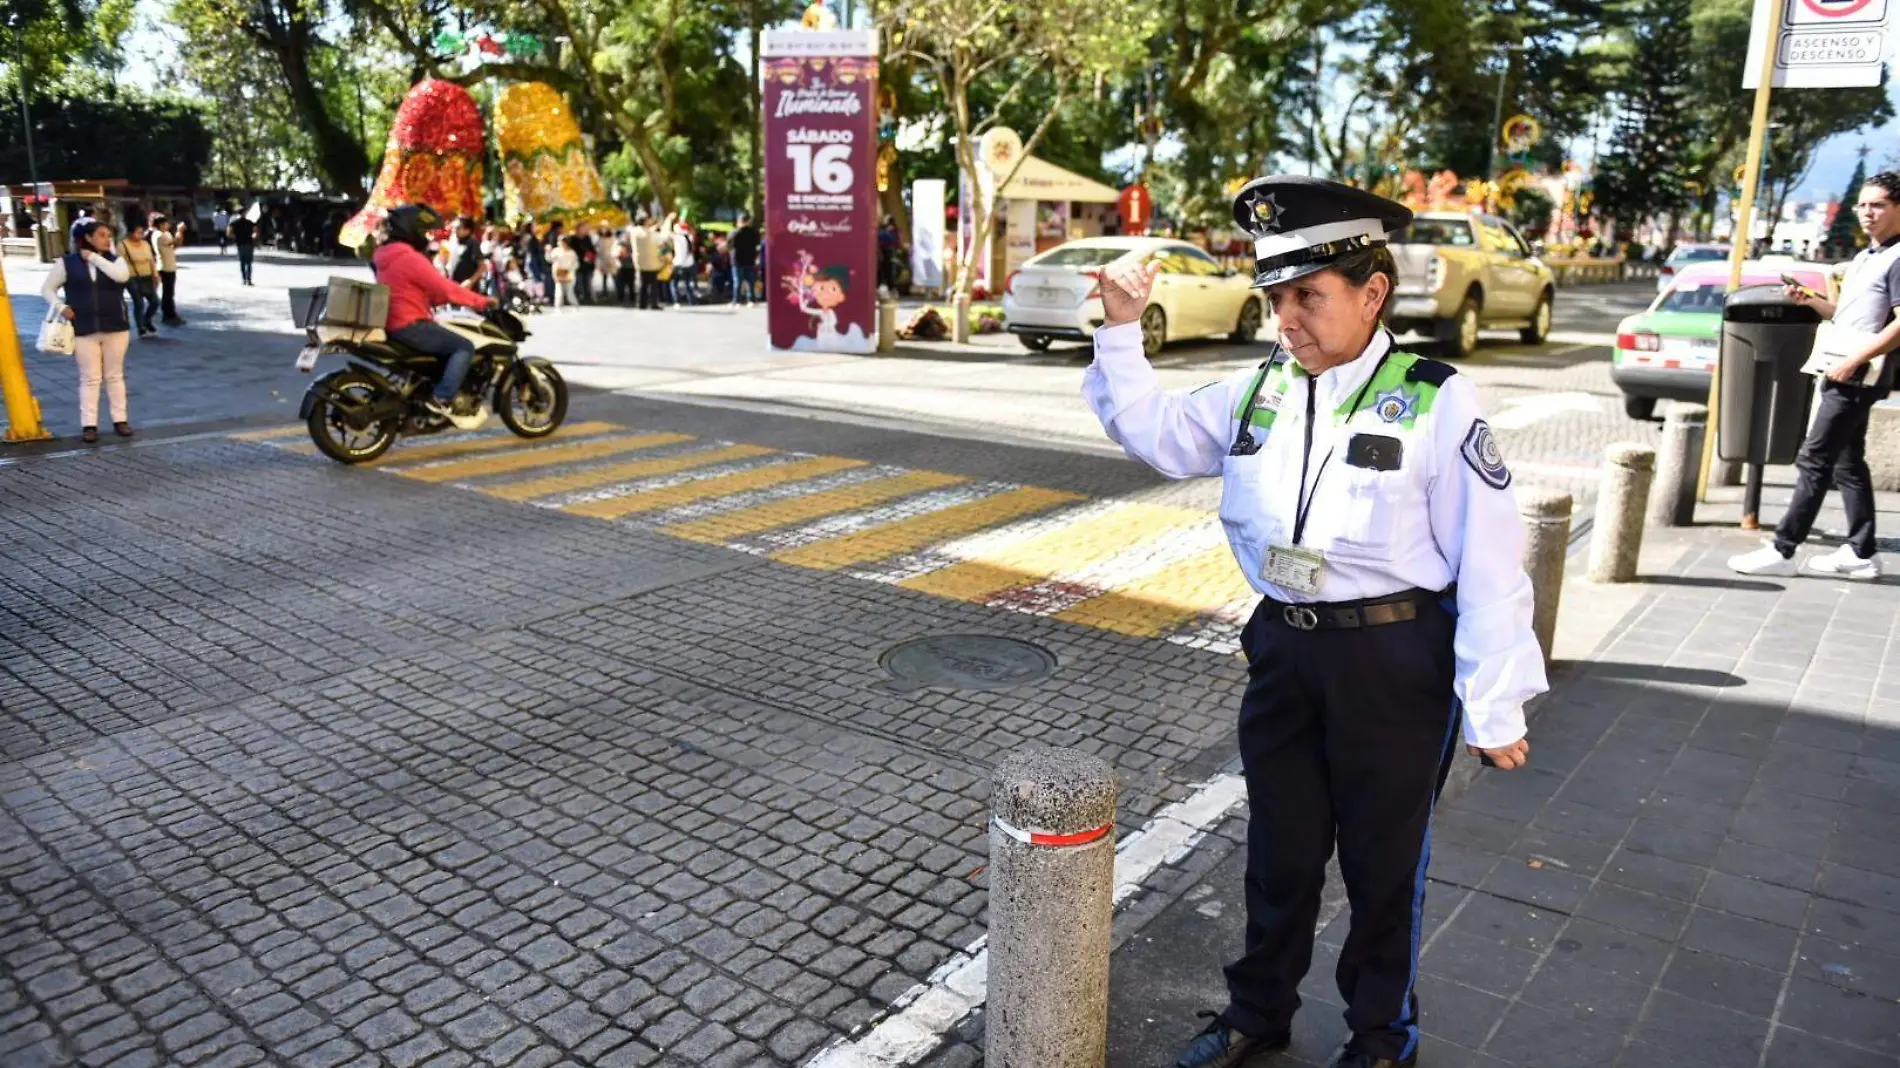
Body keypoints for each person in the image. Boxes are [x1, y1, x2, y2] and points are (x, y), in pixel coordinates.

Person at [1083, 176, 1545, 1068]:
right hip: (1286, 649)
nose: (1287, 318)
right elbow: (1157, 432)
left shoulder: (1436, 397)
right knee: (1280, 855)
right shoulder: (1259, 389)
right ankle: (1259, 1013)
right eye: (1275, 298)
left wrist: (1495, 702)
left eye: (1308, 297)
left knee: (1382, 866)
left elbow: (1490, 554)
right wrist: (1119, 328)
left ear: (1372, 293)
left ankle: (1381, 1038)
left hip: (1394, 660)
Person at [1730, 170, 1900, 581]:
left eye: (1877, 204)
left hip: (1856, 372)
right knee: (1847, 462)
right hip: (1841, 365)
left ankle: (1784, 548)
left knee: (1814, 459)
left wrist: (1854, 359)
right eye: (1862, 204)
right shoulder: (1866, 257)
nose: (1866, 213)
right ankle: (1861, 551)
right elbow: (1846, 313)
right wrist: (1811, 301)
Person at [373, 204, 495, 417]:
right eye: (424, 231)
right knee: (463, 347)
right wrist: (481, 301)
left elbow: (417, 289)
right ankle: (441, 398)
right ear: (411, 229)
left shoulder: (386, 255)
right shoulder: (409, 258)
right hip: (410, 324)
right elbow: (444, 288)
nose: (427, 237)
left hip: (394, 322)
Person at [43, 219, 134, 443]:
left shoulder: (115, 260)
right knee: (90, 378)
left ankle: (120, 420)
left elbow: (121, 276)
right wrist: (61, 307)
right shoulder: (67, 263)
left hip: (115, 325)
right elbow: (47, 289)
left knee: (115, 375)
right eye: (102, 235)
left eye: (108, 235)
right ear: (88, 238)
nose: (107, 239)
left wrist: (93, 257)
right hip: (83, 328)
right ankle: (89, 425)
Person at [119, 219, 162, 338]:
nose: (140, 235)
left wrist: (155, 274)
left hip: (147, 276)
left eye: (142, 232)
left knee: (155, 301)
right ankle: (141, 327)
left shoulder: (145, 244)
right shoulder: (123, 245)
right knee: (139, 302)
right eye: (138, 232)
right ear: (130, 233)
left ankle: (146, 320)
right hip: (132, 277)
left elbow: (151, 260)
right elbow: (119, 262)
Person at [150, 213, 186, 326]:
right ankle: (168, 315)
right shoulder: (158, 235)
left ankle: (171, 313)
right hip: (164, 266)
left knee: (170, 292)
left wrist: (180, 234)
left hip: (170, 265)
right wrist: (179, 231)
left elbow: (176, 244)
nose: (168, 225)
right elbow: (174, 241)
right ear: (161, 224)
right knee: (167, 293)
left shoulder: (166, 234)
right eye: (166, 223)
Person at [633, 214, 666, 309]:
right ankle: (653, 303)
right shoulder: (650, 233)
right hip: (652, 262)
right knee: (653, 284)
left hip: (640, 261)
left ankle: (641, 303)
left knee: (643, 284)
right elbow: (659, 241)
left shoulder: (634, 232)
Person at [731, 212, 761, 306]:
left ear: (739, 221)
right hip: (750, 259)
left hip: (737, 260)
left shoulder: (734, 233)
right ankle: (751, 299)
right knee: (750, 281)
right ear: (747, 221)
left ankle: (737, 300)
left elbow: (730, 245)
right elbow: (757, 244)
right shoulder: (753, 232)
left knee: (738, 281)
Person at [671, 218, 700, 305]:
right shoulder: (689, 238)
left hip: (679, 264)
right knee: (687, 283)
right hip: (689, 264)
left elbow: (666, 234)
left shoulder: (678, 238)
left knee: (674, 283)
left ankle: (677, 301)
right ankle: (692, 301)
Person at [549, 235, 580, 311]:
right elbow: (550, 259)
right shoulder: (556, 251)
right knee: (559, 290)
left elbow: (576, 263)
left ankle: (575, 305)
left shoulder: (571, 252)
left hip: (569, 273)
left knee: (569, 291)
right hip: (558, 273)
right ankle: (558, 306)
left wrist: (570, 269)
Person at [228, 209, 257, 285]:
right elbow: (255, 231)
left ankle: (244, 279)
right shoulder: (250, 222)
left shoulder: (234, 223)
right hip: (249, 243)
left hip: (240, 244)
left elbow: (229, 233)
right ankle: (249, 280)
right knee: (249, 262)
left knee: (242, 262)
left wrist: (234, 237)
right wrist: (253, 237)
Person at [572, 222, 597, 304]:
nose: (586, 230)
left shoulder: (587, 238)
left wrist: (590, 256)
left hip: (588, 264)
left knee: (587, 282)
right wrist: (582, 256)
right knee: (579, 282)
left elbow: (592, 250)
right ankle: (580, 297)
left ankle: (587, 297)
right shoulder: (573, 239)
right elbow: (573, 252)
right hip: (578, 265)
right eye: (584, 228)